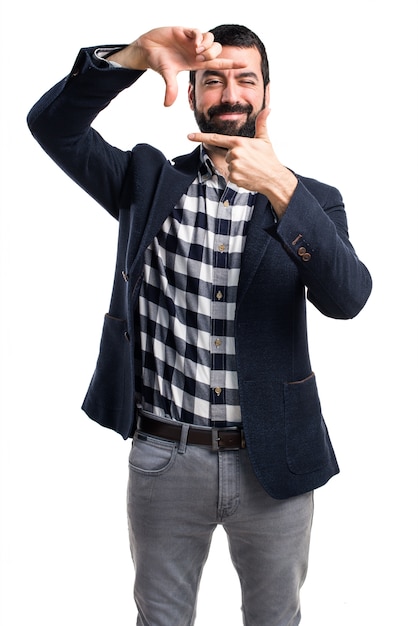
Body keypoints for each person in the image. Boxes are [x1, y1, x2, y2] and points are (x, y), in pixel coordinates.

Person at [27, 24, 372, 626]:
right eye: (213, 80)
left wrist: (281, 188)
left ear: (267, 94)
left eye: (246, 79)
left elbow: (348, 298)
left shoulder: (313, 199)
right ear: (191, 93)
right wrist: (130, 58)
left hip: (275, 466)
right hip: (165, 456)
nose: (230, 93)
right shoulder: (147, 180)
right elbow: (51, 126)